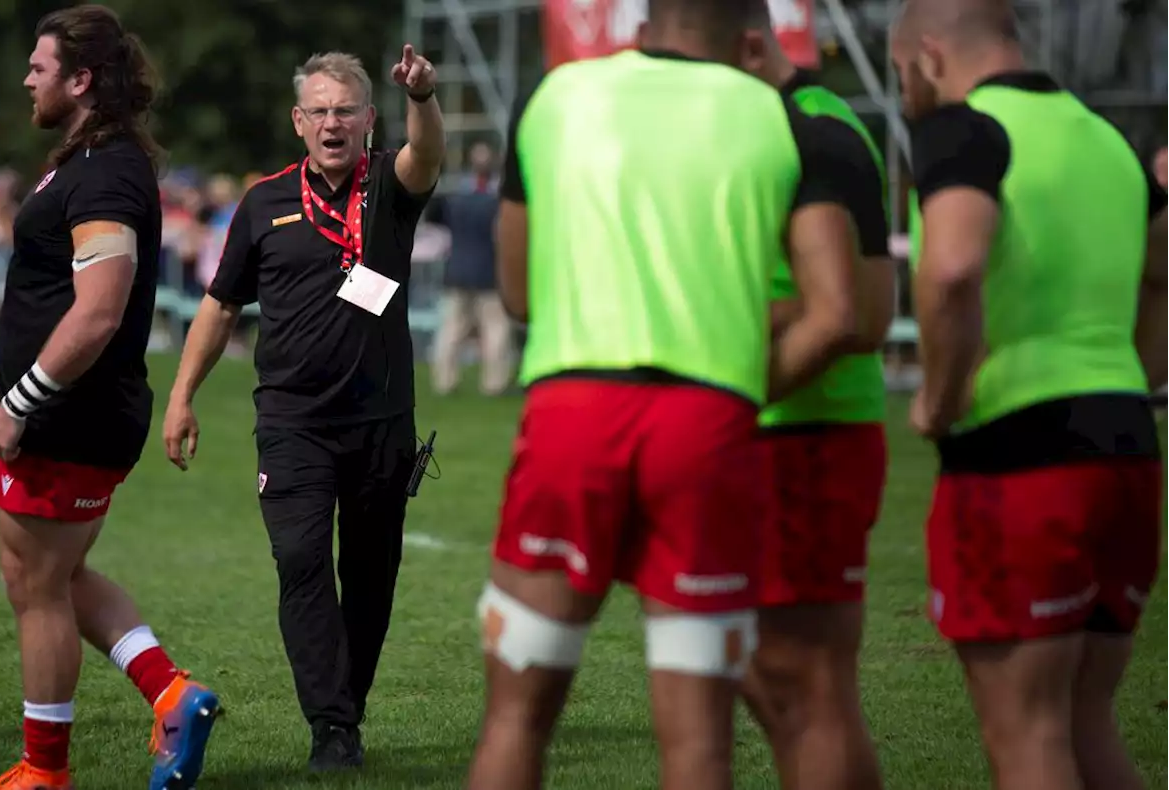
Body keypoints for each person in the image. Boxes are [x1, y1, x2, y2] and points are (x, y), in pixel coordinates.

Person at [466, 0, 881, 787]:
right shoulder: (784, 119)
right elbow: (838, 311)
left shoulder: (556, 98)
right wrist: (732, 386)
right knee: (698, 747)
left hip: (573, 411)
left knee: (516, 720)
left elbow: (518, 296)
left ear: (641, 19)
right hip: (709, 420)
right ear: (752, 35)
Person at [894, 1, 1166, 789]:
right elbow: (1165, 269)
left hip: (1017, 457)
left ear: (933, 57)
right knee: (1088, 725)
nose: (906, 93)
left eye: (901, 74)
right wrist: (1129, 372)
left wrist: (938, 401)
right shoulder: (1104, 137)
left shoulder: (964, 130)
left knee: (1028, 736)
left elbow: (950, 267)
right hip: (1127, 449)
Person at [0, 6, 221, 790]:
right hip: (63, 404)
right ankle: (173, 693)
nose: (27, 78)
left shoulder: (105, 169)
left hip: (71, 412)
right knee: (56, 575)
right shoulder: (85, 162)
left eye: (40, 67)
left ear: (81, 81)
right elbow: (47, 294)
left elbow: (100, 308)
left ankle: (46, 773)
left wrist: (25, 399)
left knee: (36, 586)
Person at [161, 47, 444, 771]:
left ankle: (344, 712)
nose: (331, 122)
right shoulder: (263, 202)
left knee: (373, 575)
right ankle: (331, 727)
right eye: (318, 110)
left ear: (367, 119)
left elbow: (428, 154)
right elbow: (221, 305)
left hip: (382, 422)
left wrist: (425, 97)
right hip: (293, 423)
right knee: (300, 559)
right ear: (298, 121)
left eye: (345, 109)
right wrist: (182, 397)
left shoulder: (388, 182)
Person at [734, 10, 893, 790]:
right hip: (800, 434)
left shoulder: (811, 132)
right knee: (791, 685)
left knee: (808, 690)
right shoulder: (801, 125)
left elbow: (862, 311)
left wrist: (730, 341)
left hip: (800, 432)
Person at [429, 141, 514, 396]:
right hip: (489, 274)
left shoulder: (455, 199)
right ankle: (494, 383)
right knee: (495, 331)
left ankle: (444, 380)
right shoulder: (497, 202)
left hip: (456, 271)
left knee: (450, 331)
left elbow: (435, 218)